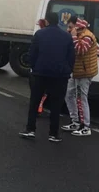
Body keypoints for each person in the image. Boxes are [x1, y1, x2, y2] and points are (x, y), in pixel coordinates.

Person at [20, 12, 75, 142]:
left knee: (34, 102)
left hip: (40, 73)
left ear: (47, 21)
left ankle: (30, 129)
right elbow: (71, 57)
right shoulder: (67, 36)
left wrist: (34, 67)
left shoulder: (39, 34)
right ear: (58, 21)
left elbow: (32, 54)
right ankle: (53, 134)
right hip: (60, 76)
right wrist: (67, 70)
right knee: (56, 105)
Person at [62, 16, 98, 136]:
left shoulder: (87, 36)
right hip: (76, 71)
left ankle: (85, 126)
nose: (68, 29)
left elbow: (81, 50)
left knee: (81, 98)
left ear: (77, 27)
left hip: (84, 73)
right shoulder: (78, 35)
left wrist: (73, 36)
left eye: (70, 27)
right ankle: (75, 121)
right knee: (68, 94)